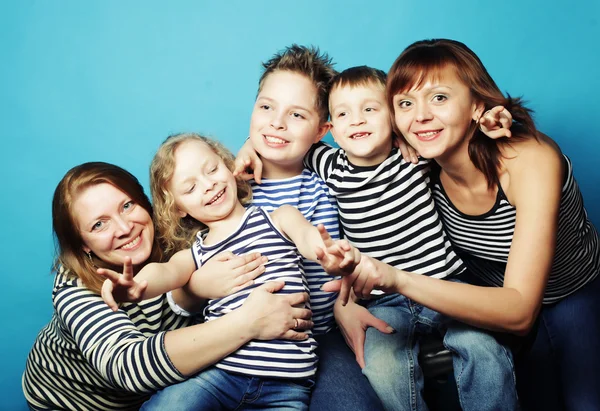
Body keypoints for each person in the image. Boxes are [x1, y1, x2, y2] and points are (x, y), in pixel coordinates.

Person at [326, 38, 600, 411]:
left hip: (569, 293)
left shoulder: (529, 159)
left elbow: (519, 311)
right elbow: (315, 148)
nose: (419, 115)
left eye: (439, 97)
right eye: (406, 103)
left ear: (476, 104)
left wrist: (397, 278)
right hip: (485, 298)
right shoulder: (419, 168)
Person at [242, 65, 519, 411]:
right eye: (343, 114)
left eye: (370, 110)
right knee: (385, 368)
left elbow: (453, 137)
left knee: (484, 351)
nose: (356, 121)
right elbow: (282, 137)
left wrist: (486, 123)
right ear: (330, 130)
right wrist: (247, 147)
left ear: (394, 119)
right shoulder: (331, 165)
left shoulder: (417, 156)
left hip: (444, 284)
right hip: (382, 300)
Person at [22, 162, 313, 411]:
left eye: (127, 206)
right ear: (83, 243)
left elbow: (207, 175)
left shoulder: (179, 233)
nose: (124, 228)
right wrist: (247, 322)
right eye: (100, 224)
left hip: (165, 391)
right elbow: (127, 366)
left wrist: (254, 147)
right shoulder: (75, 287)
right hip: (74, 401)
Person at [101, 134, 359, 410]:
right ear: (177, 209)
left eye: (212, 169)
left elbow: (308, 238)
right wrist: (136, 286)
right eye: (190, 188)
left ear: (228, 165)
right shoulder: (195, 253)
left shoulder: (277, 217)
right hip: (221, 376)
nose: (209, 185)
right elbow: (165, 272)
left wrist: (328, 253)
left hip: (288, 385)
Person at [235, 44, 387, 410]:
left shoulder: (333, 178)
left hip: (321, 335)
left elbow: (378, 145)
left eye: (297, 115)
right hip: (246, 342)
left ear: (322, 130)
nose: (276, 122)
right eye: (267, 107)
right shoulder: (228, 184)